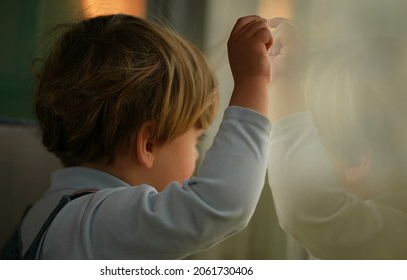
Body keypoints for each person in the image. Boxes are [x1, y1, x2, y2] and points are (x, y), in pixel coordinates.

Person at [18, 14, 273, 259]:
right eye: (196, 141)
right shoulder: (97, 223)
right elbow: (222, 204)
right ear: (148, 144)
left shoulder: (54, 214)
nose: (197, 155)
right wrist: (253, 81)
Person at [267, 18, 407, 259]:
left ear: (355, 160)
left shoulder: (391, 237)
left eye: (308, 139)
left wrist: (285, 83)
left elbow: (304, 205)